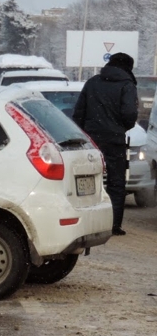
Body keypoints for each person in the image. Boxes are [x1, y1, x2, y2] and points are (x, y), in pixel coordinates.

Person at [72, 52, 139, 236]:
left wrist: (84, 135)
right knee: (116, 184)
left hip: (90, 141)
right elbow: (130, 115)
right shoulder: (127, 85)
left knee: (86, 182)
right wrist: (120, 128)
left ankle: (85, 223)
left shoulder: (93, 82)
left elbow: (79, 113)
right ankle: (113, 225)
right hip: (114, 141)